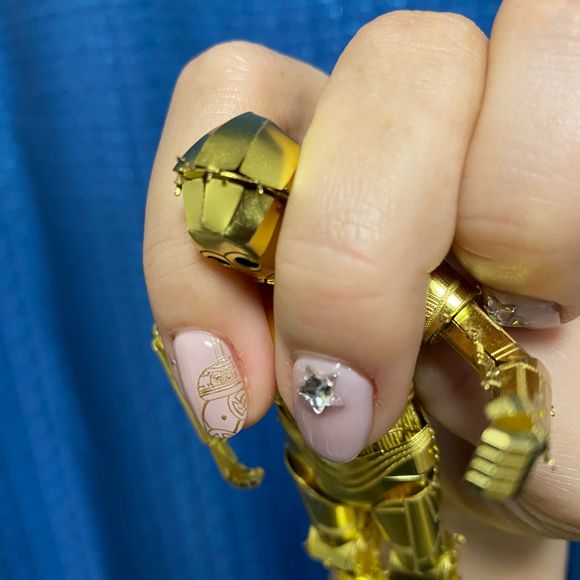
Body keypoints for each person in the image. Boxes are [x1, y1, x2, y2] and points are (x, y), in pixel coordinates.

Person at [1, 1, 578, 579]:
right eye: (222, 252)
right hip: (313, 466)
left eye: (240, 247)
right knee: (346, 557)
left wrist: (520, 423)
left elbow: (503, 355)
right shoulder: (249, 295)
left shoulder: (412, 290)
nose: (233, 263)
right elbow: (178, 354)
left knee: (423, 563)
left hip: (400, 466)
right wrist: (220, 441)